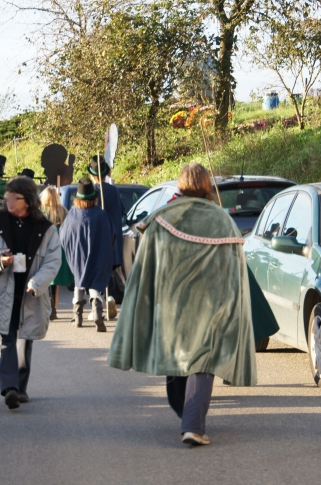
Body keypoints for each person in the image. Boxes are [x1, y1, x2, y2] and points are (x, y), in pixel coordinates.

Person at [107, 163, 273, 446]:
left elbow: (145, 266)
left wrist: (145, 301)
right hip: (211, 305)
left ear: (180, 184)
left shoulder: (162, 218)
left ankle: (191, 422)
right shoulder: (222, 220)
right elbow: (234, 270)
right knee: (201, 362)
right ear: (207, 185)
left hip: (172, 305)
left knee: (182, 358)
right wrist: (234, 306)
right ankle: (191, 421)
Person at [0, 176, 61, 409]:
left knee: (25, 339)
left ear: (29, 200)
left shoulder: (45, 228)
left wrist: (37, 283)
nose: (9, 201)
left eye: (16, 198)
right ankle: (9, 388)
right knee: (7, 337)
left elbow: (53, 261)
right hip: (3, 292)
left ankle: (21, 387)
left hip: (31, 292)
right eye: (7, 197)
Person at [60, 178, 114, 332]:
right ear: (94, 198)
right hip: (99, 253)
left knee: (80, 280)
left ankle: (77, 317)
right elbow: (112, 234)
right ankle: (97, 309)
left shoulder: (72, 215)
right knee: (96, 281)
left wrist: (70, 249)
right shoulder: (102, 214)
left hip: (78, 254)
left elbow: (63, 235)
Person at [88, 156, 122, 319]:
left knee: (98, 272)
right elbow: (122, 211)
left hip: (98, 237)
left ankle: (103, 301)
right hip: (113, 238)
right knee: (109, 272)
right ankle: (110, 298)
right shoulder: (114, 191)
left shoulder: (92, 191)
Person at [40, 186, 74, 319]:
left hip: (45, 247)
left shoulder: (40, 212)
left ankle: (48, 306)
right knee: (55, 280)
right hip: (59, 248)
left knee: (46, 278)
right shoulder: (63, 211)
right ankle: (53, 308)